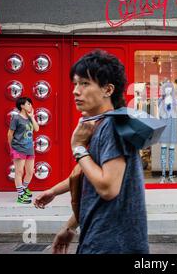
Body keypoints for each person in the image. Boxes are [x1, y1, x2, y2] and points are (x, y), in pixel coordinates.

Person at [34, 50, 149, 254]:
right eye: (75, 84)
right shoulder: (102, 124)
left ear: (108, 89)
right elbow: (90, 177)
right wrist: (69, 225)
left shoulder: (112, 127)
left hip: (112, 245)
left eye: (85, 83)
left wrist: (77, 147)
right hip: (102, 239)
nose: (76, 91)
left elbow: (107, 188)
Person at [7, 97, 39, 204]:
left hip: (29, 148)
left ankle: (24, 189)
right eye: (28, 104)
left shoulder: (29, 118)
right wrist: (12, 147)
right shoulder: (16, 118)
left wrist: (32, 117)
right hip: (18, 148)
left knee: (30, 172)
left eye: (30, 104)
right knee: (19, 172)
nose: (30, 105)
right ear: (22, 106)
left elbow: (37, 129)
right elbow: (10, 134)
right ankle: (20, 196)